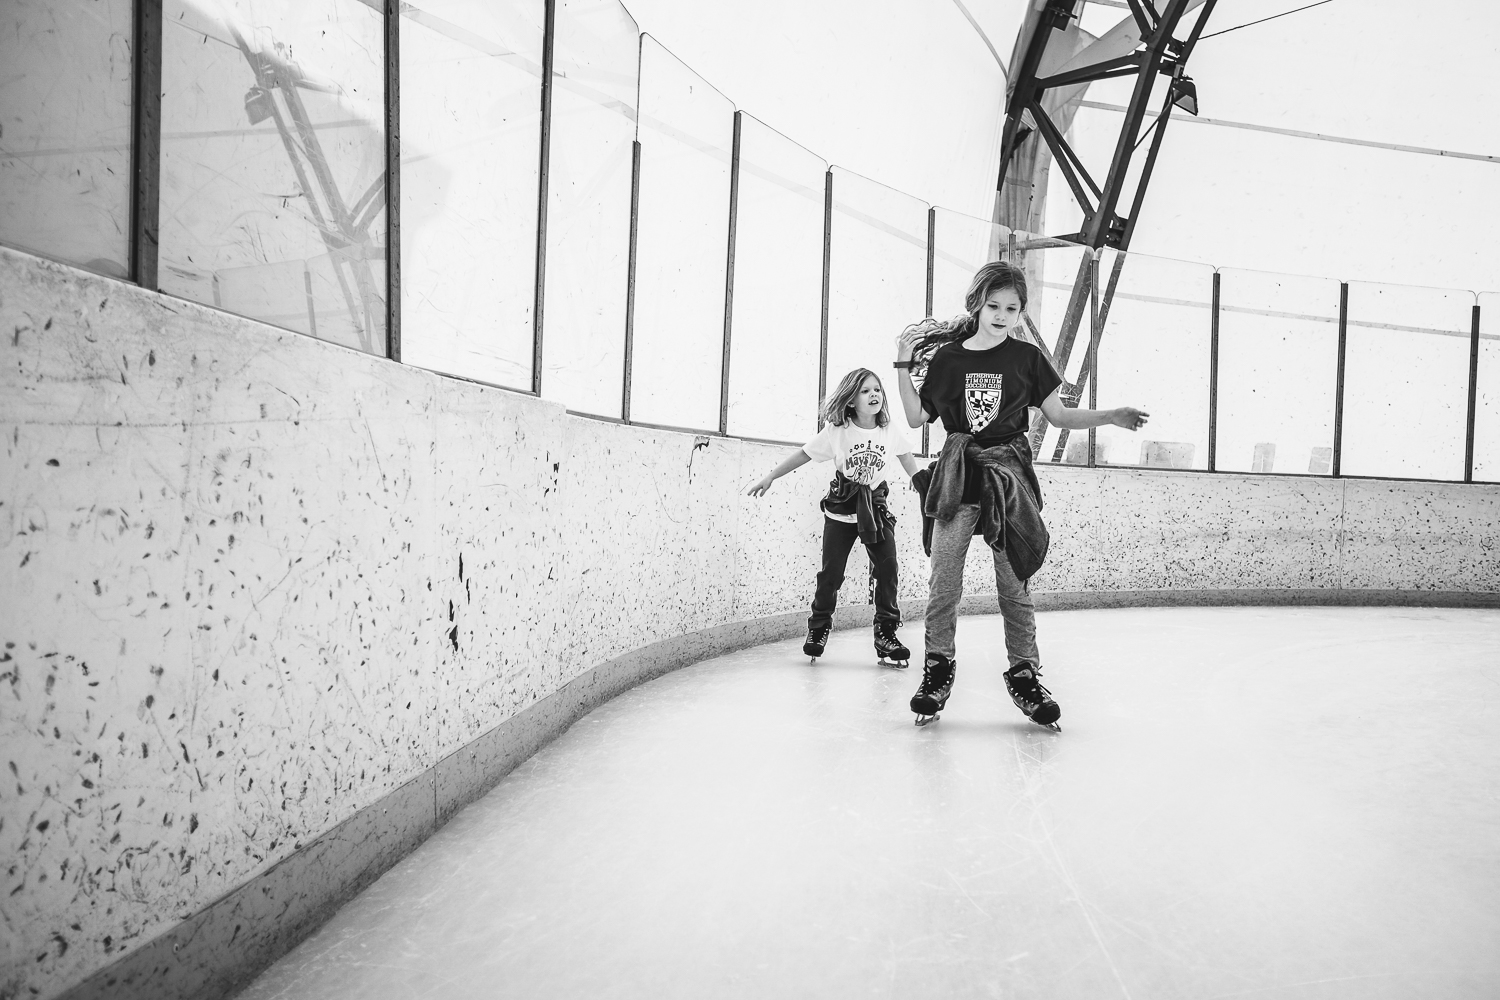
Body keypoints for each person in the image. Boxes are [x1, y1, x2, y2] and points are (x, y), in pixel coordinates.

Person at [892, 261, 1148, 728]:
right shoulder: (949, 358)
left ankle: (1025, 671)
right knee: (944, 581)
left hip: (1008, 482)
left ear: (1021, 312)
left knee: (1014, 585)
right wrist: (904, 366)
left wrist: (1111, 414)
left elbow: (1061, 417)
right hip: (960, 480)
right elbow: (915, 418)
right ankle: (937, 668)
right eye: (994, 305)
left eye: (1013, 308)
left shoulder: (1027, 359)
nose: (1003, 314)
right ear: (977, 304)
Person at [748, 368, 921, 666]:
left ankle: (886, 634)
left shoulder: (888, 429)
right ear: (851, 400)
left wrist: (917, 477)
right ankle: (818, 628)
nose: (874, 395)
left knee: (889, 570)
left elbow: (905, 454)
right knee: (831, 575)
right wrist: (771, 476)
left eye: (877, 389)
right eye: (866, 391)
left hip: (875, 512)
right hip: (841, 512)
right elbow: (804, 453)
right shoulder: (838, 430)